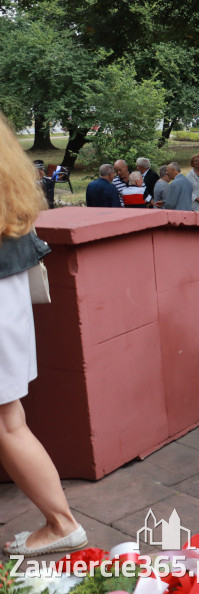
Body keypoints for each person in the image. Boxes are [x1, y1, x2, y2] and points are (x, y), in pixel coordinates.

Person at [0, 115, 88, 557]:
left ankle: (61, 523)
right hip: (8, 294)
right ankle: (60, 523)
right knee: (8, 421)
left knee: (7, 424)